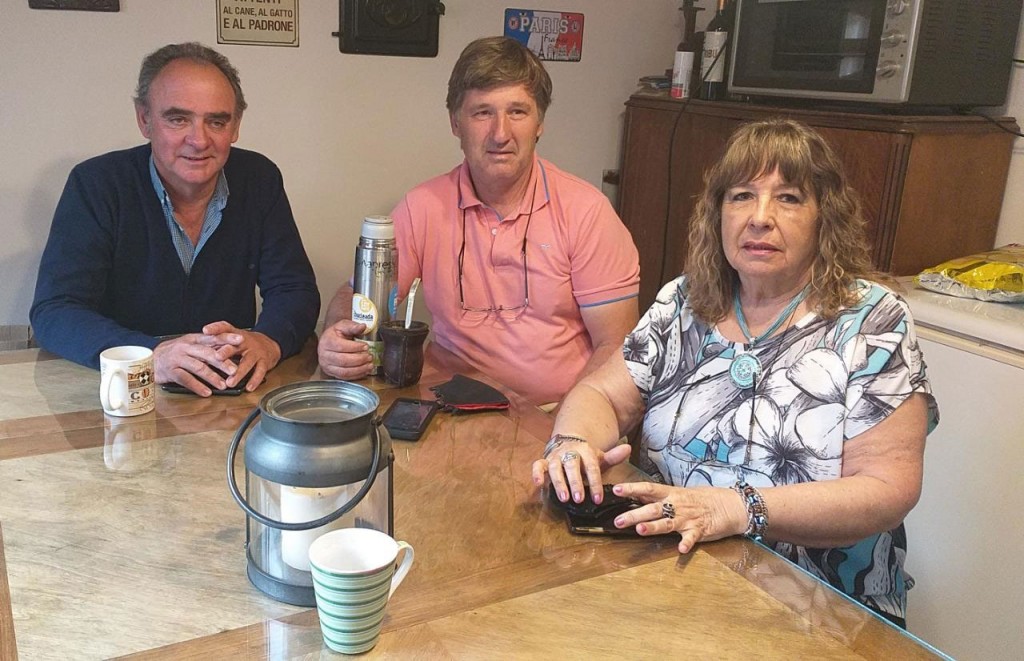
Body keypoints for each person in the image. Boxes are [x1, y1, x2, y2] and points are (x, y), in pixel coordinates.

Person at [531, 119, 939, 627]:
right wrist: (572, 443)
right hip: (673, 578)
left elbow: (887, 489)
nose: (760, 218)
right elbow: (602, 395)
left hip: (821, 610)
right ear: (717, 213)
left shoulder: (874, 320)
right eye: (742, 196)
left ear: (825, 218)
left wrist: (736, 508)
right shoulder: (685, 301)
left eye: (788, 198)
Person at [318, 36, 640, 405]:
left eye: (517, 112)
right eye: (482, 113)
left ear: (540, 123)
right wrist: (336, 335)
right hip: (449, 406)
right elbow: (357, 296)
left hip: (556, 411)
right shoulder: (422, 207)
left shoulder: (587, 211)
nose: (501, 134)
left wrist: (570, 423)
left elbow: (616, 346)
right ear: (456, 123)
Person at [30, 42, 320, 396]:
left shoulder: (259, 178)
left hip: (229, 391)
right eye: (178, 119)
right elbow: (55, 311)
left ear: (236, 126)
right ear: (144, 119)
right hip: (124, 392)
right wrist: (152, 355)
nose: (199, 140)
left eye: (217, 121)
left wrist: (268, 340)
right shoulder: (97, 184)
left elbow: (294, 289)